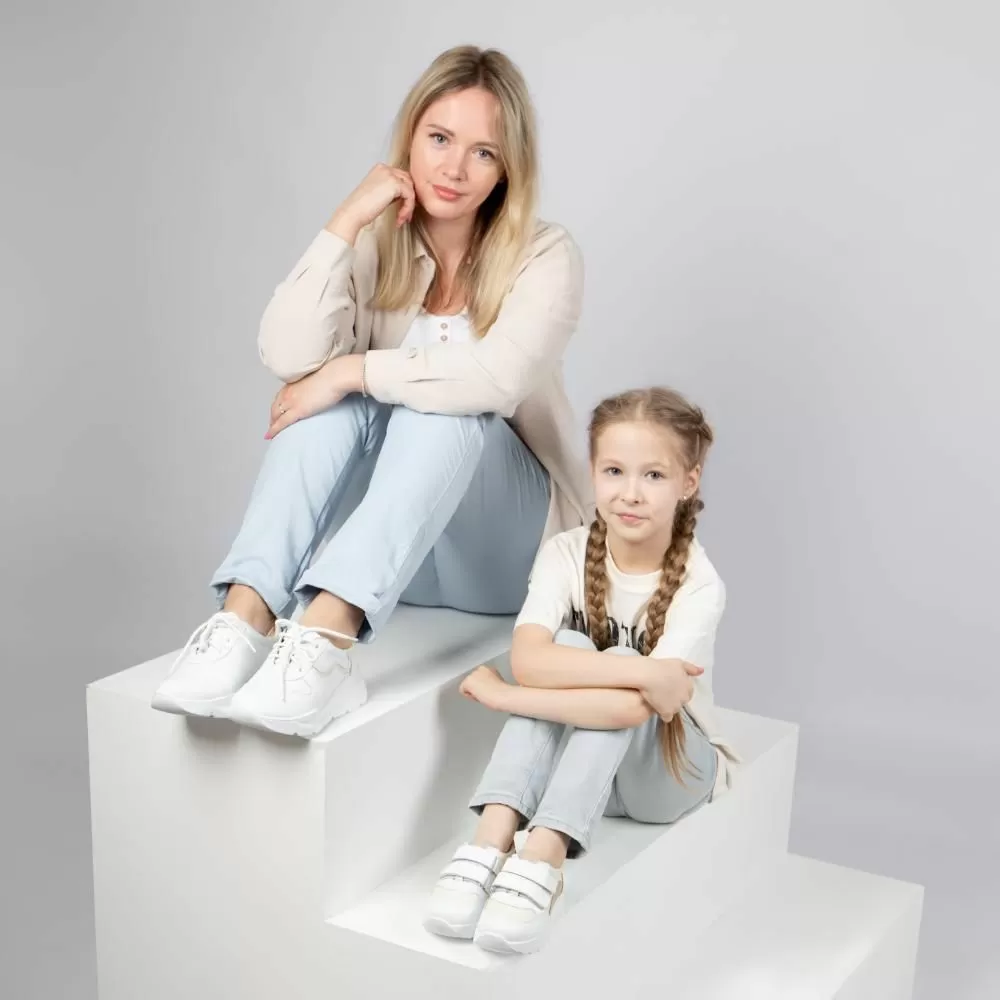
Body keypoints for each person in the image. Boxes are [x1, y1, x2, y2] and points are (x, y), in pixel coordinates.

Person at [151, 45, 588, 737]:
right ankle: (244, 616)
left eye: (483, 152)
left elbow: (495, 379)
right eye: (439, 138)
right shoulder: (378, 240)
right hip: (402, 561)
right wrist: (345, 221)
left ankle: (327, 640)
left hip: (507, 558)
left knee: (437, 400)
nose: (453, 168)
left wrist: (350, 371)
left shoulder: (545, 254)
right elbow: (286, 356)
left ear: (508, 168)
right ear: (410, 136)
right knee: (322, 400)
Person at [423, 387, 741, 955]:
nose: (630, 493)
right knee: (583, 649)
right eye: (614, 471)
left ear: (688, 483)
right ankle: (490, 841)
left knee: (615, 662)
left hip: (669, 776)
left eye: (654, 476)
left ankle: (544, 856)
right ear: (592, 471)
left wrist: (504, 697)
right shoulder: (565, 553)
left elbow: (630, 708)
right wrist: (646, 676)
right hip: (590, 774)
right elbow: (528, 661)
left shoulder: (699, 583)